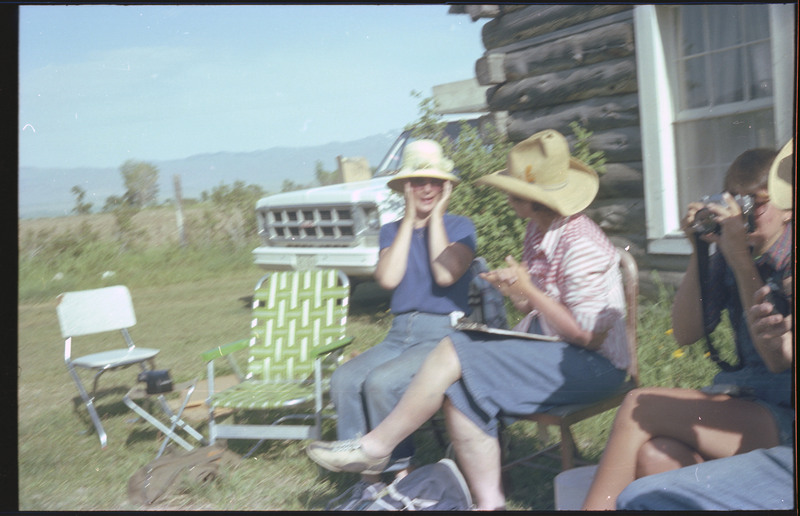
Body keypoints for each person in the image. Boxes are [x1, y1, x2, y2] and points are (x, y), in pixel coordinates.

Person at [308, 129, 631, 511]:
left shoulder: (581, 244)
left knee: (458, 347)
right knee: (462, 389)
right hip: (552, 351)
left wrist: (531, 291)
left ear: (529, 198)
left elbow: (588, 336)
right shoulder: (537, 229)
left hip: (594, 367)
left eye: (510, 190)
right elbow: (538, 309)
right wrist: (517, 290)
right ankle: (489, 503)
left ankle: (377, 446)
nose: (505, 196)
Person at [582, 144, 794, 510]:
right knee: (656, 456)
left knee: (641, 405)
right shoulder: (734, 253)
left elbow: (776, 358)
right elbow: (686, 332)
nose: (743, 215)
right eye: (736, 202)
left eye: (756, 204)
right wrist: (699, 249)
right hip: (746, 402)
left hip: (784, 416)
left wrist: (741, 261)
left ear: (787, 207)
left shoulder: (787, 258)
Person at [325, 139, 476, 509]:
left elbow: (445, 274)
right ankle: (369, 483)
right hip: (399, 333)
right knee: (344, 378)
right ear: (405, 188)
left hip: (441, 334)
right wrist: (410, 219)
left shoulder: (460, 227)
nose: (426, 189)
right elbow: (389, 279)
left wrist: (436, 217)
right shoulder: (394, 230)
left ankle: (403, 478)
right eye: (416, 182)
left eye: (435, 182)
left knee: (382, 382)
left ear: (446, 188)